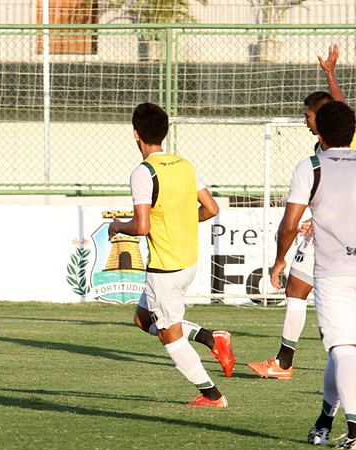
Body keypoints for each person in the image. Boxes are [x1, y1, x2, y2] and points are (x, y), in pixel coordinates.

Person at [109, 102, 230, 407]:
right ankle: (212, 339)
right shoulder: (184, 164)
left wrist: (118, 226)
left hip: (165, 267)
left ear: (136, 134)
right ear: (165, 132)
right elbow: (211, 208)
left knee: (169, 336)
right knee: (141, 319)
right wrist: (185, 220)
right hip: (188, 260)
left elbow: (142, 225)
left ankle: (212, 395)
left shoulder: (143, 172)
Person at [249, 44, 350, 379]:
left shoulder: (341, 143)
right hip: (332, 229)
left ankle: (285, 364)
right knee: (298, 289)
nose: (303, 120)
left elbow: (341, 106)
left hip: (335, 236)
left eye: (307, 115)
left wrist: (331, 74)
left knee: (301, 293)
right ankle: (284, 362)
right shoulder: (322, 147)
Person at [269, 100, 356, 449]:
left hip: (334, 272)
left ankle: (354, 431)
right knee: (344, 351)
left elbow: (290, 224)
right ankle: (324, 421)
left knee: (343, 349)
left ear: (319, 131)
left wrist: (278, 261)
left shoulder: (311, 167)